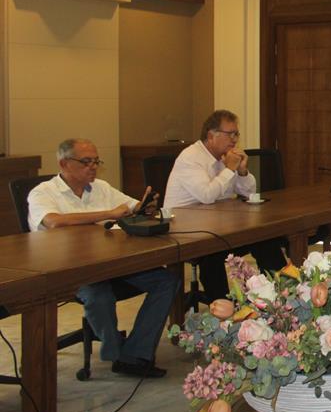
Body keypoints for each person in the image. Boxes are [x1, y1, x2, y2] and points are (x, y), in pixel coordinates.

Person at [28, 139, 179, 378]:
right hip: (68, 271)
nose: (93, 167)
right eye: (86, 162)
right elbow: (53, 221)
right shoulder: (43, 192)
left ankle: (134, 354)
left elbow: (131, 206)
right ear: (64, 163)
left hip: (111, 264)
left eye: (96, 161)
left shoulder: (101, 187)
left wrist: (145, 207)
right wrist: (108, 213)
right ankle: (117, 352)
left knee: (166, 280)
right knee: (98, 295)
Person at [164, 110, 287, 301]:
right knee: (212, 253)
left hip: (218, 226)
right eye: (230, 134)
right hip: (186, 232)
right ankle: (224, 309)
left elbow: (249, 193)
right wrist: (229, 168)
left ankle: (280, 296)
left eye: (236, 134)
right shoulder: (190, 158)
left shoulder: (224, 157)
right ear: (211, 136)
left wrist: (242, 171)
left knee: (264, 237)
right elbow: (206, 195)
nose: (235, 139)